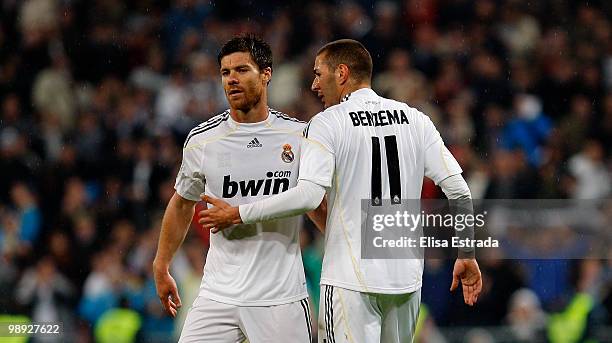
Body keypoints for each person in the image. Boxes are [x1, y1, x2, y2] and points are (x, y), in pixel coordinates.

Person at [200, 39, 483, 342]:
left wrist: (239, 213)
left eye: (319, 74)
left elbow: (308, 196)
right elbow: (458, 189)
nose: (314, 84)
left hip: (350, 282)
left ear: (342, 73)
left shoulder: (327, 123)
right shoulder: (416, 119)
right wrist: (466, 252)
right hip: (405, 281)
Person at [153, 35, 325, 343]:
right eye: (225, 72)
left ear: (266, 74)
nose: (231, 79)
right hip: (219, 294)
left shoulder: (298, 135)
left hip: (280, 298)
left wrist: (350, 253)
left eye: (242, 70)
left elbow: (314, 204)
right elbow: (182, 203)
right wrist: (161, 264)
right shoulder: (203, 140)